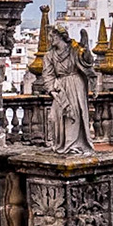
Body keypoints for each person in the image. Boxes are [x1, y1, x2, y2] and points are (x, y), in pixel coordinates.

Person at [42, 24, 96, 155]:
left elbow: (87, 62)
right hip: (60, 86)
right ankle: (62, 143)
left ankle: (75, 144)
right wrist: (52, 90)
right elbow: (47, 74)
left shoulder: (74, 50)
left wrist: (86, 47)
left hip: (76, 84)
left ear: (61, 36)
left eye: (52, 36)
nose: (50, 39)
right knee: (56, 116)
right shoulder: (49, 56)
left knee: (76, 114)